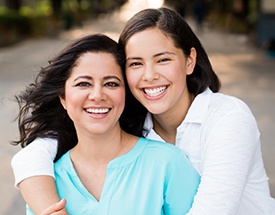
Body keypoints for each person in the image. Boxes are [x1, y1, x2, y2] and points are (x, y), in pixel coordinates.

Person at [11, 7, 275, 215]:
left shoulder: (227, 119)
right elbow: (32, 155)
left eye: (163, 59)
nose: (149, 75)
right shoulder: (130, 120)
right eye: (136, 63)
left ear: (189, 61)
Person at [11, 34, 200, 215]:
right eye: (83, 84)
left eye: (111, 84)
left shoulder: (167, 164)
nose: (97, 95)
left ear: (125, 94)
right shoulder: (47, 183)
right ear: (63, 98)